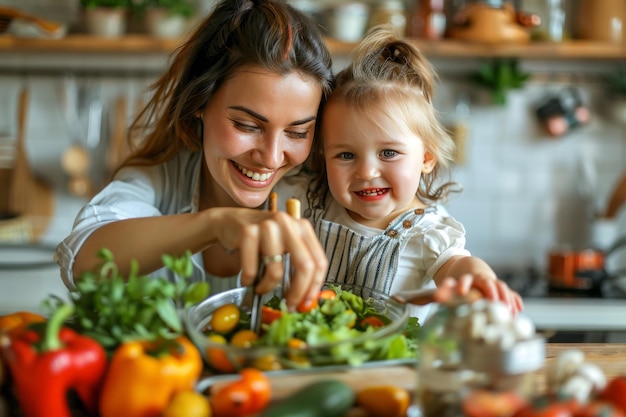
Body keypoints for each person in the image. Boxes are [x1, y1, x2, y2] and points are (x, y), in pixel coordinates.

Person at [55, 0, 334, 310]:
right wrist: (215, 224)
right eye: (246, 125)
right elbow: (83, 262)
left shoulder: (321, 196)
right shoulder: (160, 176)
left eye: (297, 133)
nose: (270, 158)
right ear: (200, 103)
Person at [276, 26, 522, 322]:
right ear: (322, 156)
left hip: (391, 367)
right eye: (345, 155)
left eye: (389, 153)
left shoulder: (427, 232)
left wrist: (480, 279)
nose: (366, 172)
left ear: (427, 158)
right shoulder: (309, 198)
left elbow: (457, 267)